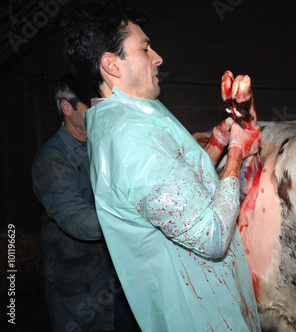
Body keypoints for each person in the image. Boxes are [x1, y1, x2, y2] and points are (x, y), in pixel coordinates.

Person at [59, 1, 262, 331]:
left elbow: (174, 187)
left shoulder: (126, 112)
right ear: (111, 65)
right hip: (199, 313)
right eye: (144, 48)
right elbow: (212, 236)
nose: (158, 57)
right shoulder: (130, 141)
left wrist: (217, 145)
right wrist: (238, 152)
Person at [32, 73, 140, 332]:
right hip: (78, 283)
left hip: (117, 277)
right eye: (90, 105)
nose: (98, 110)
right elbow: (78, 221)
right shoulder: (52, 161)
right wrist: (138, 216)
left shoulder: (104, 145)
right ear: (66, 108)